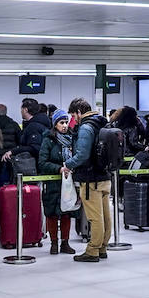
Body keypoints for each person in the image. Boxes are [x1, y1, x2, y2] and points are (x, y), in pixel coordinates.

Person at [63, 97, 111, 262]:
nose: (73, 120)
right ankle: (102, 247)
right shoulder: (102, 123)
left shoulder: (85, 127)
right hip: (105, 177)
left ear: (78, 112)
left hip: (91, 179)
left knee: (94, 217)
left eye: (73, 116)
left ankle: (92, 250)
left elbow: (82, 155)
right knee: (105, 216)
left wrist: (68, 164)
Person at [38, 109, 81, 255]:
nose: (64, 125)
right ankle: (54, 243)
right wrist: (59, 168)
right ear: (55, 124)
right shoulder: (48, 140)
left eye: (66, 122)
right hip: (53, 184)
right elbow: (42, 163)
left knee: (66, 213)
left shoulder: (72, 139)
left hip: (68, 183)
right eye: (61, 122)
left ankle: (65, 243)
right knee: (52, 214)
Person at [5, 98, 51, 176]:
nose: (20, 111)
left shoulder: (33, 126)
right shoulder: (39, 124)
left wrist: (13, 151)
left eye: (21, 109)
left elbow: (34, 147)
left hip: (35, 166)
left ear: (25, 110)